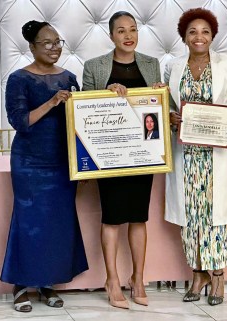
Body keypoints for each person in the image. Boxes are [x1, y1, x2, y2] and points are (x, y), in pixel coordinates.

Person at [164, 8, 227, 306]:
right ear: (184, 37)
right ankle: (198, 273)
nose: (198, 36)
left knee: (216, 217)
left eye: (204, 31)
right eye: (192, 32)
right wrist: (171, 116)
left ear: (213, 35)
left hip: (218, 153)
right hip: (187, 153)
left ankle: (217, 276)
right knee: (191, 216)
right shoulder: (174, 66)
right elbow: (165, 104)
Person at [0, 20, 88, 313]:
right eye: (47, 43)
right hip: (30, 162)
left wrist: (86, 164)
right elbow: (20, 122)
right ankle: (21, 286)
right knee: (29, 223)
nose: (55, 48)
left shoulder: (70, 77)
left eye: (58, 42)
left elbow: (84, 121)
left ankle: (48, 282)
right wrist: (51, 102)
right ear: (32, 46)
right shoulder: (18, 79)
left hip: (65, 163)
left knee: (57, 223)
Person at [82, 11, 165, 309]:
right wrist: (106, 95)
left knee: (139, 216)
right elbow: (85, 114)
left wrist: (161, 95)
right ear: (111, 35)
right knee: (113, 217)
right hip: (110, 156)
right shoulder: (94, 66)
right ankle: (112, 279)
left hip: (143, 154)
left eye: (133, 29)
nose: (128, 35)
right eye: (121, 31)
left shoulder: (151, 64)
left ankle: (138, 278)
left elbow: (157, 110)